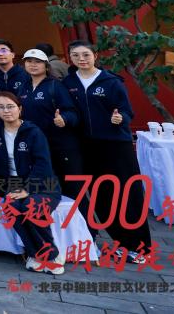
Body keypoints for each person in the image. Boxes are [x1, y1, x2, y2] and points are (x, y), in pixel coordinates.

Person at [63, 40, 151, 259]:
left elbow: (127, 111)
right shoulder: (68, 83)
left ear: (95, 55)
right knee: (101, 196)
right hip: (87, 146)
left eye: (86, 54)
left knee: (127, 194)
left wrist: (121, 118)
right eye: (76, 55)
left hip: (116, 145)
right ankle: (120, 242)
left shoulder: (111, 82)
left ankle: (139, 247)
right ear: (70, 58)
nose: (81, 59)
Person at [0, 92, 65, 274]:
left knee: (31, 205)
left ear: (19, 108)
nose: (6, 111)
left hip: (43, 183)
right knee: (10, 207)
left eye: (10, 106)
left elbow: (43, 164)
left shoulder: (33, 132)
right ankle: (35, 254)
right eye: (1, 107)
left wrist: (27, 189)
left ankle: (51, 255)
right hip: (12, 183)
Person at [18, 46, 86, 221]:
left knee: (74, 191)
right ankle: (60, 229)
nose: (33, 65)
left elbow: (73, 113)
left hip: (62, 147)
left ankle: (88, 232)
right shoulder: (23, 88)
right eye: (29, 61)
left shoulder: (56, 86)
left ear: (46, 65)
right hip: (39, 149)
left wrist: (64, 119)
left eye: (38, 62)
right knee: (48, 191)